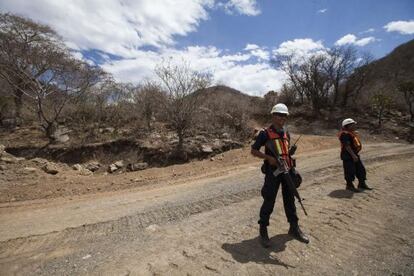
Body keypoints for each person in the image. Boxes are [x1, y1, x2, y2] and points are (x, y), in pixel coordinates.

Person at [251, 103, 309, 248]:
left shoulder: (286, 132)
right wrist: (268, 158)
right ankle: (263, 230)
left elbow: (284, 151)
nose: (282, 118)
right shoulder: (264, 133)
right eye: (279, 115)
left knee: (290, 199)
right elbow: (254, 151)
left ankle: (294, 228)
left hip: (287, 169)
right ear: (273, 116)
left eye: (284, 116)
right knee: (269, 199)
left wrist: (290, 153)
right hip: (273, 172)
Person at [338, 118, 372, 192]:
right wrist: (353, 155)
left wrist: (355, 155)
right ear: (348, 126)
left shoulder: (352, 133)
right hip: (348, 155)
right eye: (353, 125)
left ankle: (362, 183)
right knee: (350, 170)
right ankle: (349, 185)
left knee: (361, 169)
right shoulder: (345, 134)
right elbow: (347, 146)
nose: (355, 126)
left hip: (354, 154)